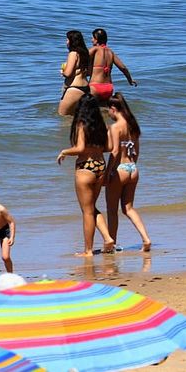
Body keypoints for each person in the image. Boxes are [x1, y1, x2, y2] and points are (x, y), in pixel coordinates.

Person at [56, 95, 114, 256]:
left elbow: (80, 148)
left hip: (85, 168)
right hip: (100, 166)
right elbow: (109, 147)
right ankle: (108, 237)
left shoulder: (81, 124)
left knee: (87, 211)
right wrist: (95, 148)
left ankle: (88, 250)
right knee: (92, 208)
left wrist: (65, 151)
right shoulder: (102, 126)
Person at [107, 94, 152, 251]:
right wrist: (132, 166)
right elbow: (137, 151)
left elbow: (114, 151)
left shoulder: (115, 127)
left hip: (120, 169)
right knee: (129, 208)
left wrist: (108, 172)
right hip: (133, 168)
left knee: (112, 211)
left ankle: (111, 244)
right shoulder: (133, 126)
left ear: (114, 109)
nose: (108, 113)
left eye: (108, 110)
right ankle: (146, 239)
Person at [88, 28, 136, 100]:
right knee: (105, 110)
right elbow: (123, 68)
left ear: (96, 39)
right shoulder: (111, 52)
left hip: (95, 87)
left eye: (92, 38)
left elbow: (81, 57)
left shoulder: (95, 49)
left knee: (89, 109)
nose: (91, 40)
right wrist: (130, 80)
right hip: (108, 88)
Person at [57, 29, 93, 117]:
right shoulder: (85, 53)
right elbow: (89, 72)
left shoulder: (73, 53)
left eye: (67, 39)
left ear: (72, 41)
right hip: (85, 88)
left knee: (63, 117)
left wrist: (63, 72)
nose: (66, 42)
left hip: (74, 89)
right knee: (78, 117)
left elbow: (68, 73)